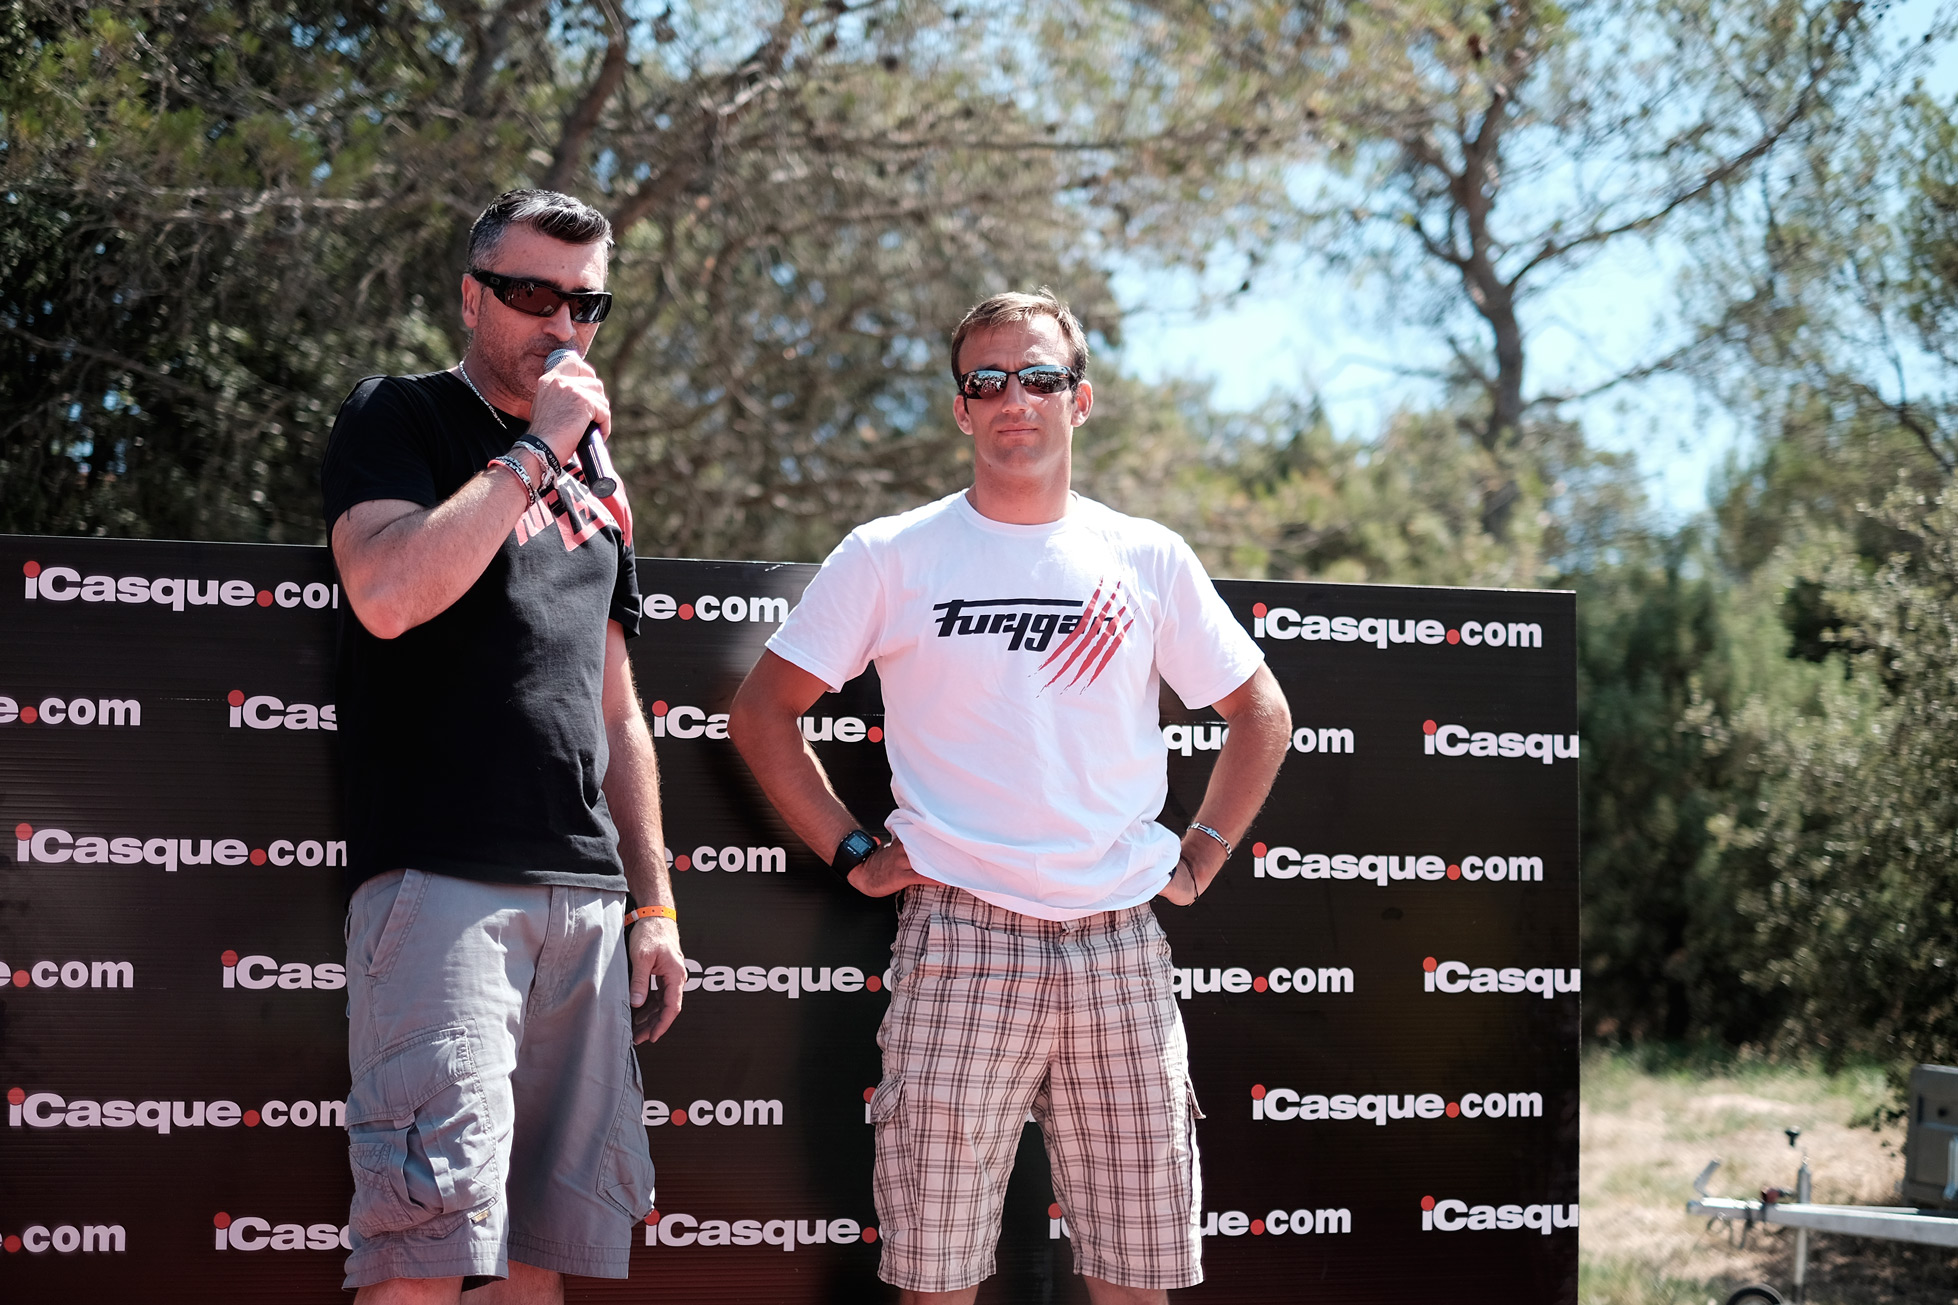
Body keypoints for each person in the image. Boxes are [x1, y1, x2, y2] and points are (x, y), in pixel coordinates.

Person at [728, 289, 1293, 1303]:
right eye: (986, 382)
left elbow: (1260, 712)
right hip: (959, 939)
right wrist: (852, 852)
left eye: (1038, 377)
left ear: (1080, 400)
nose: (1013, 400)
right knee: (935, 1274)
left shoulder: (1146, 554)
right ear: (961, 409)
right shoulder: (889, 553)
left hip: (1118, 942)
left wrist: (1202, 851)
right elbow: (762, 712)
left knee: (1138, 1276)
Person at [321, 189, 685, 1304]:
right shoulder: (401, 413)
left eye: (585, 304)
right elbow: (387, 593)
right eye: (531, 293)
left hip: (584, 897)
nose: (560, 324)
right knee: (427, 1247)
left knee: (538, 1261)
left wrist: (654, 902)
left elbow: (617, 709)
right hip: (443, 879)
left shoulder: (601, 477)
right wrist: (536, 449)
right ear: (472, 298)